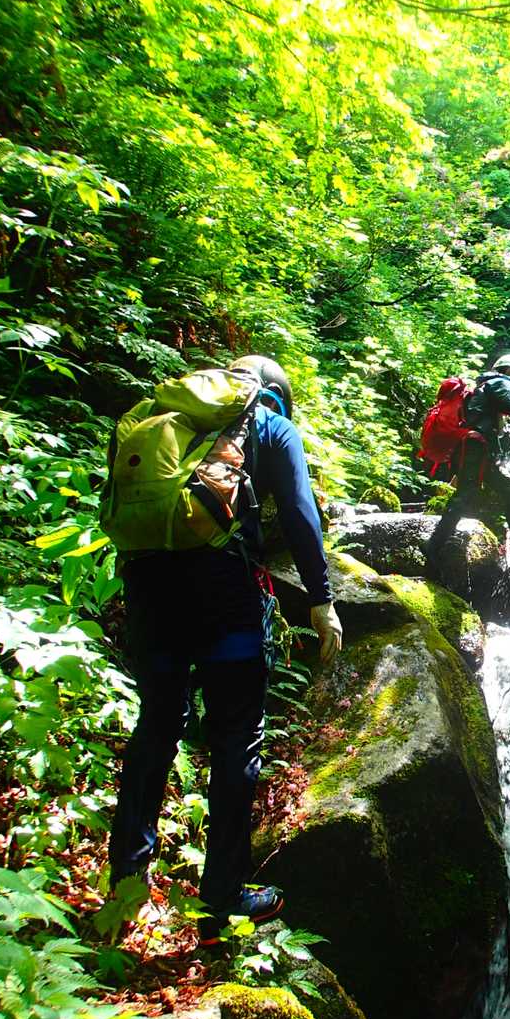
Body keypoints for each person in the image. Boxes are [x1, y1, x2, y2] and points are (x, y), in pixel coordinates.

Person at [107, 354, 343, 945]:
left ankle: (126, 883)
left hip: (148, 586)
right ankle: (221, 898)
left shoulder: (164, 417)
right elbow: (300, 513)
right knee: (237, 734)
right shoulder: (270, 425)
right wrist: (321, 599)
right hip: (223, 590)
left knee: (157, 723)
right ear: (275, 393)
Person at [423, 352, 510, 572]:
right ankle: (433, 545)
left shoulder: (483, 386)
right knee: (466, 497)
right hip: (475, 450)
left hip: (476, 452)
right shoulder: (500, 382)